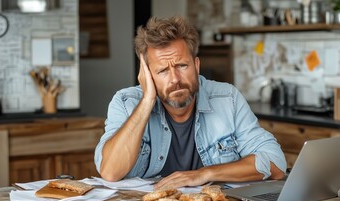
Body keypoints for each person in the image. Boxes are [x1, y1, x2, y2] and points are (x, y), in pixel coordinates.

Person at [94, 16, 286, 190]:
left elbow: (275, 164)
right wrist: (147, 101)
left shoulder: (228, 98)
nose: (175, 79)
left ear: (196, 65)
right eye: (162, 71)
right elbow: (110, 172)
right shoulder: (126, 102)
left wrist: (204, 174)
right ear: (146, 76)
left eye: (182, 66)